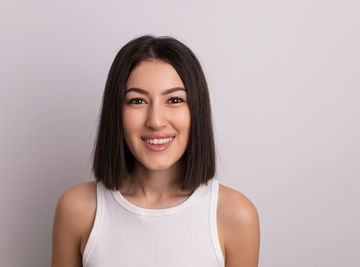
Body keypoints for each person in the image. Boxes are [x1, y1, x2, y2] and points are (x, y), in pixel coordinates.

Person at [51, 35, 260, 267]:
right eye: (137, 101)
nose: (156, 121)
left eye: (174, 100)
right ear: (116, 113)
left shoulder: (236, 215)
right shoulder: (77, 209)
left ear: (196, 111)